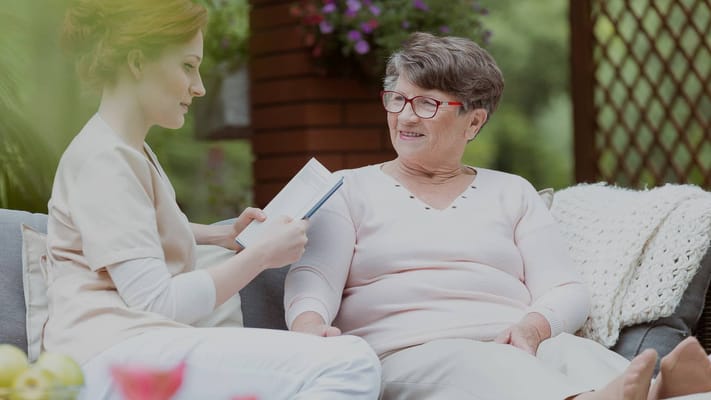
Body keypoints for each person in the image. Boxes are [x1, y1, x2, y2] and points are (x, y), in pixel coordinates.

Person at [284, 32, 711, 400]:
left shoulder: (512, 191)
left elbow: (564, 286)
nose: (406, 115)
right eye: (397, 99)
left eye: (427, 104)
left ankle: (658, 391)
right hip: (411, 353)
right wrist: (308, 326)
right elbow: (314, 277)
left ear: (473, 122)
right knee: (476, 362)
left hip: (515, 345)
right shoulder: (347, 188)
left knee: (573, 352)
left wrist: (534, 327)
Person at [44, 1, 381, 398]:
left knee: (343, 360)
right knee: (350, 362)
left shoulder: (123, 150)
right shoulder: (105, 160)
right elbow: (159, 303)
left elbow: (130, 230)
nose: (199, 86)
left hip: (130, 349)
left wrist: (221, 236)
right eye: (188, 66)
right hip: (114, 356)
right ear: (136, 62)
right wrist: (259, 257)